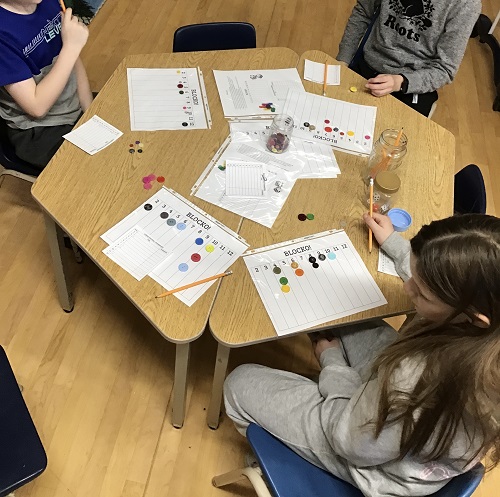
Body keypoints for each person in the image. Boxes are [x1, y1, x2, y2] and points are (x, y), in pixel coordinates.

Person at [224, 213, 500, 496]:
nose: (407, 288)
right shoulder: (485, 317)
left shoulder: (414, 378)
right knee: (348, 313)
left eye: (421, 294)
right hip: (393, 422)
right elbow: (442, 279)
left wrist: (332, 364)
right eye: (414, 277)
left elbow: (349, 441)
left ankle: (287, 456)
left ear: (473, 318)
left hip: (370, 462)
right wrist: (394, 243)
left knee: (239, 383)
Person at [336, 0, 482, 117]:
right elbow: (363, 12)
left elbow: (445, 69)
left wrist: (400, 81)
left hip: (412, 84)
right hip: (366, 65)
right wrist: (343, 60)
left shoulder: (466, 4)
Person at [0, 0, 92, 169]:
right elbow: (36, 107)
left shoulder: (48, 3)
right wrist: (71, 47)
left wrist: (90, 110)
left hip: (72, 105)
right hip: (39, 131)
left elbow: (73, 62)